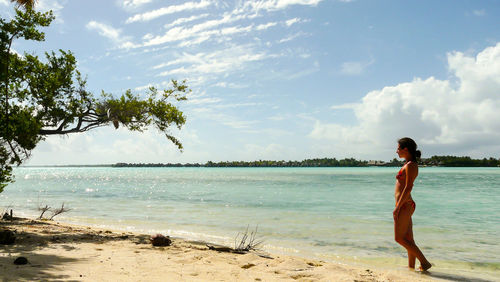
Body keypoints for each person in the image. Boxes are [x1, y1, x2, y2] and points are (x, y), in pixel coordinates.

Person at [393, 137, 432, 271]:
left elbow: (408, 187)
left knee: (399, 238)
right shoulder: (408, 164)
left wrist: (398, 207)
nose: (396, 151)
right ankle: (411, 268)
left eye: (398, 148)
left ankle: (425, 262)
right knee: (408, 238)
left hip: (404, 205)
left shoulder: (411, 165)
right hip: (405, 204)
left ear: (405, 149)